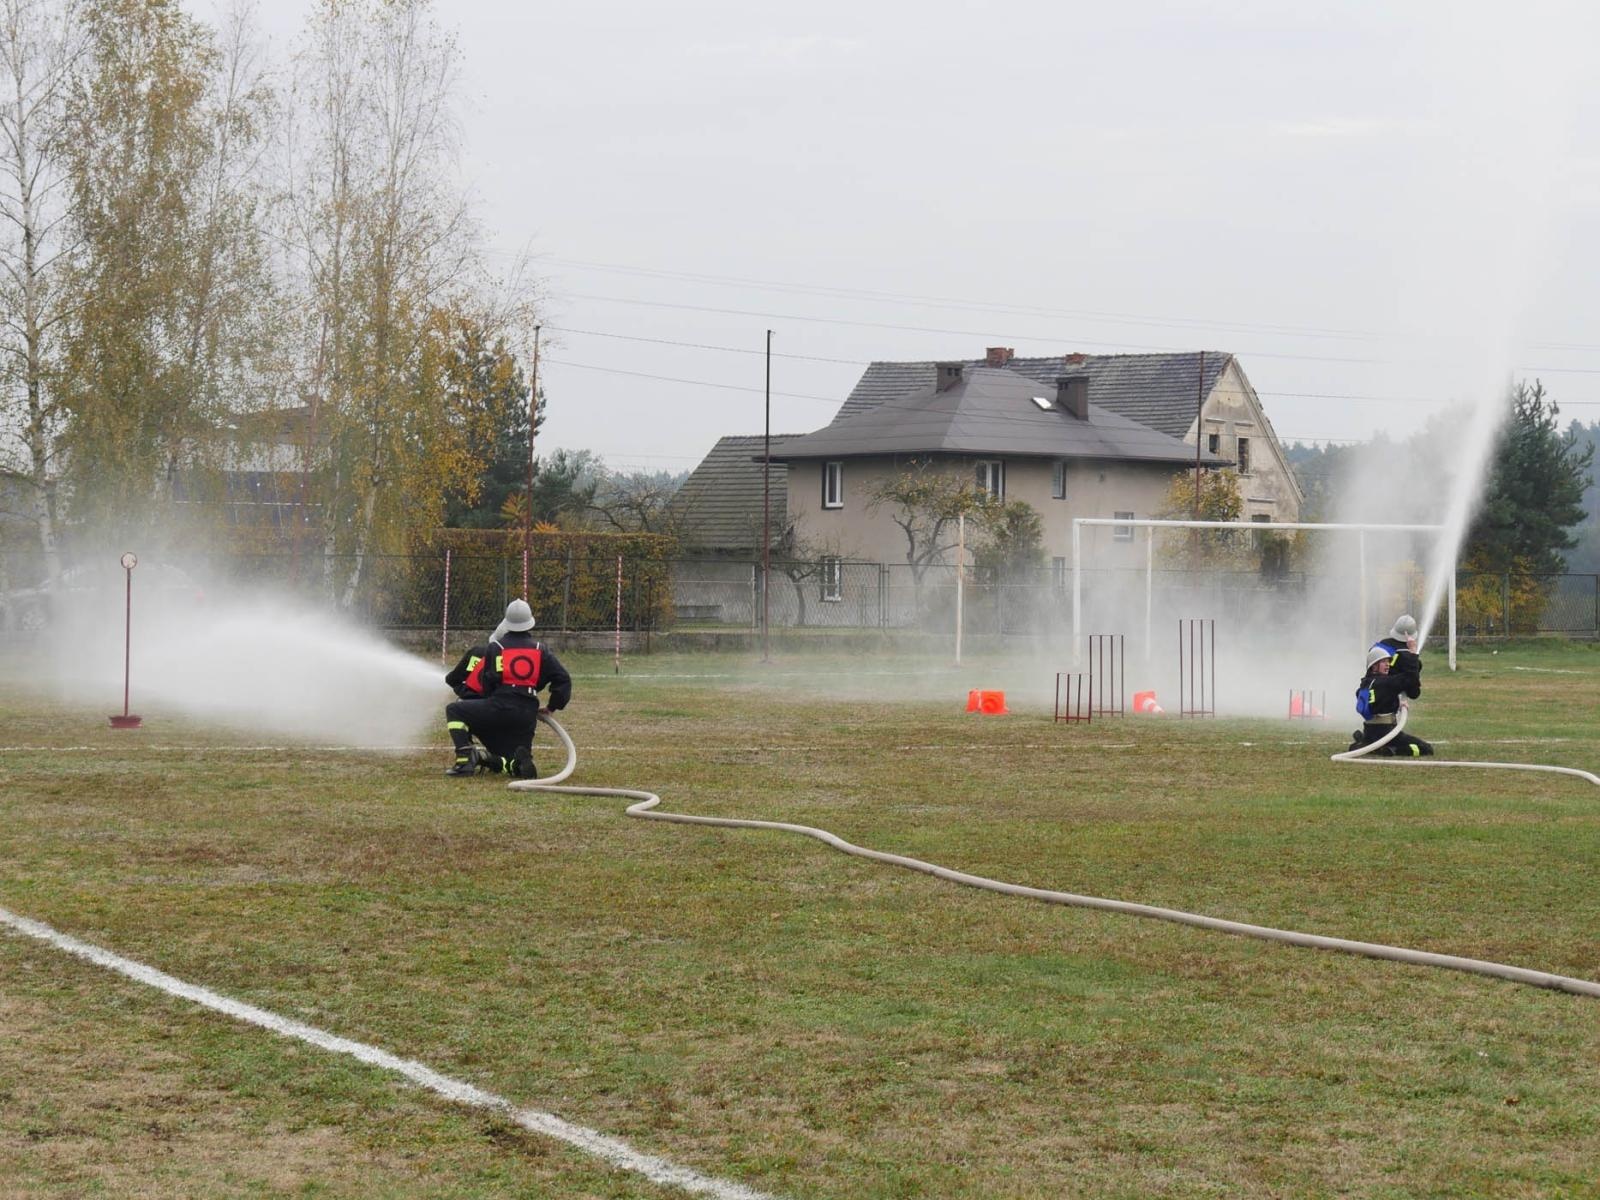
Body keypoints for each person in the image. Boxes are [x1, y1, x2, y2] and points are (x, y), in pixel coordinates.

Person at [443, 599, 572, 777]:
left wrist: (489, 704)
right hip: (527, 714)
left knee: (455, 710)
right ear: (530, 623)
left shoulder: (496, 647)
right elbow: (563, 679)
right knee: (515, 757)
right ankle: (514, 763)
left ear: (507, 623)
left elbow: (487, 682)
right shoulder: (540, 649)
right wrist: (552, 706)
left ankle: (465, 761)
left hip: (499, 706)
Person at [1348, 644, 1433, 757]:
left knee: (1371, 740)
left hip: (1369, 730)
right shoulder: (1386, 683)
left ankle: (1365, 743)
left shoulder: (1365, 683)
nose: (1387, 664)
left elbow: (1377, 703)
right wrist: (1413, 654)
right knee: (1426, 749)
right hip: (1387, 732)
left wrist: (1397, 705)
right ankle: (1392, 749)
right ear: (1373, 666)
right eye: (1383, 662)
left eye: (1388, 661)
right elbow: (1410, 679)